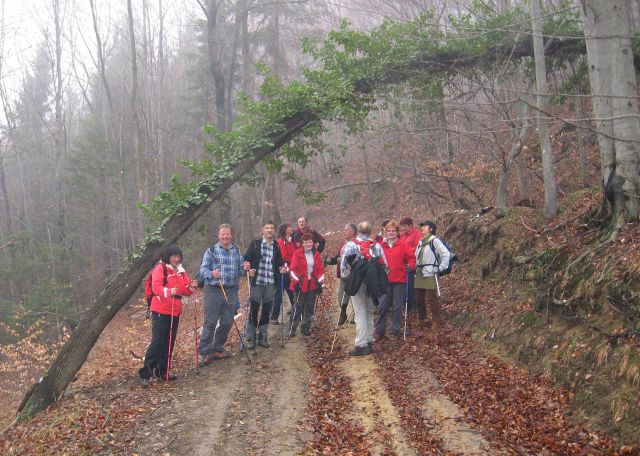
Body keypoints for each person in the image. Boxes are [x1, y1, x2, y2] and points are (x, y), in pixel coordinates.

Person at [140, 245, 196, 381]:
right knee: (158, 341)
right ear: (168, 256)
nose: (176, 259)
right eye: (174, 256)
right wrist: (169, 292)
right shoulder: (161, 268)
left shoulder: (181, 271)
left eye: (178, 256)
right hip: (160, 309)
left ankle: (163, 371)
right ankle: (146, 372)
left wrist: (192, 287)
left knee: (169, 342)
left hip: (175, 311)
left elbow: (184, 290)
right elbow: (156, 287)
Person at [198, 224, 251, 366]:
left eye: (227, 234)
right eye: (223, 234)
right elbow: (203, 270)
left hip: (231, 290)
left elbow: (240, 271)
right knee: (210, 322)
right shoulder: (211, 251)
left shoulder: (236, 251)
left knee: (227, 321)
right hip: (214, 290)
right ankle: (204, 352)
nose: (225, 237)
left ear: (231, 235)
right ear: (219, 236)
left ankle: (217, 348)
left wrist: (246, 269)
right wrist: (211, 274)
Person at [340, 221, 387, 356]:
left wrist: (346, 278)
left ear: (358, 232)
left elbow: (343, 266)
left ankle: (361, 344)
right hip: (372, 283)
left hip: (357, 283)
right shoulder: (376, 245)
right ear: (370, 232)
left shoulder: (351, 245)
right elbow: (384, 264)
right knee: (369, 311)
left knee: (359, 312)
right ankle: (369, 340)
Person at [244, 220, 285, 349]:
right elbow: (246, 259)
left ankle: (263, 336)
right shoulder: (255, 244)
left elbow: (279, 263)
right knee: (254, 310)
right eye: (267, 228)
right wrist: (247, 268)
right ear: (263, 230)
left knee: (266, 311)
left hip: (270, 283)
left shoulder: (276, 246)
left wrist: (281, 269)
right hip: (257, 283)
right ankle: (251, 338)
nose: (269, 230)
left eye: (271, 228)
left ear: (274, 231)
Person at [375, 220, 415, 341]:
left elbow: (411, 258)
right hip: (384, 280)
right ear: (385, 232)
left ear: (397, 232)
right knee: (382, 306)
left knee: (397, 306)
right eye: (389, 231)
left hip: (399, 279)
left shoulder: (403, 244)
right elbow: (374, 259)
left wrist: (411, 265)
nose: (391, 233)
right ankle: (380, 331)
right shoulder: (380, 246)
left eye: (393, 231)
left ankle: (394, 330)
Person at [414, 221, 450, 330]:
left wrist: (440, 268)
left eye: (425, 226)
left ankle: (436, 320)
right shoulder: (420, 243)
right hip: (419, 272)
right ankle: (421, 318)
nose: (422, 228)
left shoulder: (435, 241)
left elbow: (446, 254)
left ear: (431, 229)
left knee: (432, 298)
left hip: (430, 271)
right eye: (422, 226)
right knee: (418, 298)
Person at [289, 233, 324, 336]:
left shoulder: (316, 254)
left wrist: (320, 283)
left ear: (313, 243)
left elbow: (320, 270)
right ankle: (292, 328)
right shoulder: (297, 253)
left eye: (310, 242)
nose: (308, 244)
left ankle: (305, 327)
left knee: (309, 306)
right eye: (306, 242)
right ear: (302, 244)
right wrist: (296, 283)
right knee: (298, 307)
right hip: (300, 284)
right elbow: (292, 270)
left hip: (312, 283)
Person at [325, 223, 357, 325]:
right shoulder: (345, 243)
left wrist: (344, 260)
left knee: (354, 296)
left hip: (353, 275)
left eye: (347, 230)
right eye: (345, 229)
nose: (345, 231)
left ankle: (356, 315)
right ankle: (343, 314)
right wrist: (330, 261)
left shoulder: (356, 243)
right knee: (341, 295)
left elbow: (354, 258)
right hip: (343, 274)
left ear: (353, 232)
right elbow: (339, 256)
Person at [399, 216, 422, 319]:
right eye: (402, 226)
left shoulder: (417, 234)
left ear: (410, 225)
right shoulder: (402, 235)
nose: (403, 228)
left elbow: (418, 248)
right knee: (404, 289)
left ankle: (414, 309)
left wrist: (407, 251)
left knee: (412, 289)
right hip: (403, 266)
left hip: (414, 265)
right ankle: (407, 308)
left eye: (404, 226)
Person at [273, 223, 296, 324]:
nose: (291, 229)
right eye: (289, 227)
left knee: (292, 292)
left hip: (290, 271)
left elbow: (294, 252)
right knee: (279, 294)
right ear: (285, 230)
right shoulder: (281, 241)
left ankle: (296, 314)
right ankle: (274, 317)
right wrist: (295, 261)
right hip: (283, 272)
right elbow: (284, 256)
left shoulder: (289, 241)